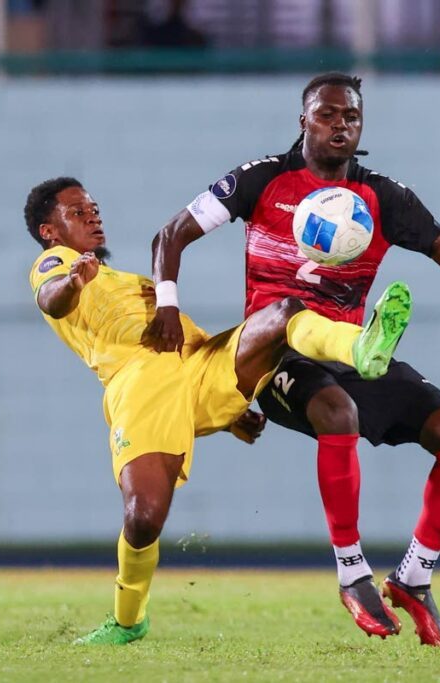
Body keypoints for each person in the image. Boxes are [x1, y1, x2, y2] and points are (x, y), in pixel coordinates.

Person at [148, 73, 440, 647]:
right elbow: (170, 235)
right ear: (303, 121)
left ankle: (414, 577)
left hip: (346, 355)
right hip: (275, 355)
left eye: (352, 117)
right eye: (328, 114)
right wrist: (167, 303)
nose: (341, 125)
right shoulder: (261, 178)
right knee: (338, 412)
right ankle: (350, 572)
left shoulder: (382, 195)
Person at [24, 176, 413, 645]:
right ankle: (128, 621)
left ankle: (360, 345)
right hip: (142, 384)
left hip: (200, 363)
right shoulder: (57, 262)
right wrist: (71, 279)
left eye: (94, 207)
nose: (93, 216)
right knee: (144, 516)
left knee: (283, 313)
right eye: (77, 211)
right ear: (49, 230)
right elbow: (51, 299)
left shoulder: (125, 281)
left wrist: (227, 415)